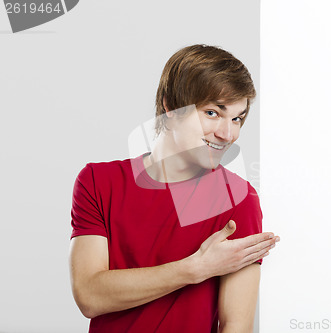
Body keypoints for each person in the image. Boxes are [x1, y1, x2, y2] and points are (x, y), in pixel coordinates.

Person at [69, 44, 279, 332]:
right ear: (170, 107)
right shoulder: (98, 181)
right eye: (212, 113)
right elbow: (90, 296)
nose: (228, 134)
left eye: (237, 118)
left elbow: (235, 325)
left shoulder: (238, 199)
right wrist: (196, 268)